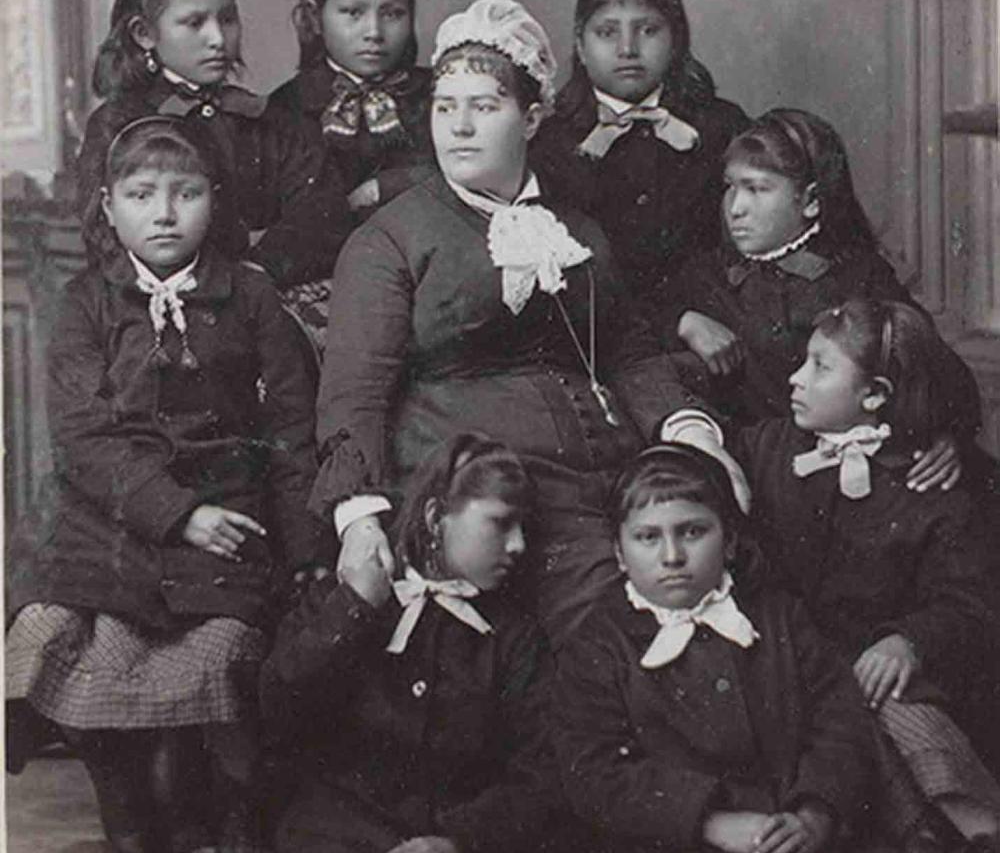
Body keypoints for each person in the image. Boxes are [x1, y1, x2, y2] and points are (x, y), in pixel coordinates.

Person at [311, 0, 742, 649]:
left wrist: (692, 435)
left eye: (484, 108)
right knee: (621, 623)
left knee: (731, 575)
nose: (459, 128)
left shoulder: (575, 229)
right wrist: (360, 519)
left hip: (610, 485)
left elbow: (627, 354)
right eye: (445, 108)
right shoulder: (391, 240)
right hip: (488, 504)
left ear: (532, 117)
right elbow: (354, 393)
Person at [6, 116, 322, 853]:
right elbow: (82, 440)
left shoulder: (251, 300)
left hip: (228, 521)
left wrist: (308, 551)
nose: (165, 213)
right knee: (62, 639)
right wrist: (177, 513)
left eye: (186, 193)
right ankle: (125, 814)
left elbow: (290, 433)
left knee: (219, 659)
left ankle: (196, 814)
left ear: (215, 200)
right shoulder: (85, 303)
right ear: (109, 206)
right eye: (142, 194)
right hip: (109, 525)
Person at [732, 298, 1000, 848]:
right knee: (852, 710)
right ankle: (952, 829)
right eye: (804, 361)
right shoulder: (770, 449)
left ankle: (966, 826)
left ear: (874, 395)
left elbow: (967, 602)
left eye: (820, 367)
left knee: (888, 704)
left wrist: (909, 641)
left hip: (873, 670)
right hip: (788, 663)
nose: (796, 378)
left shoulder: (930, 487)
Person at [552, 443, 876, 853]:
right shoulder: (597, 647)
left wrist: (814, 814)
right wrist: (709, 822)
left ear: (729, 540)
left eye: (692, 532)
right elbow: (594, 771)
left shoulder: (780, 617)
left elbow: (840, 719)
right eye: (648, 537)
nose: (672, 556)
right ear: (619, 553)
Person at [262, 433, 560, 853]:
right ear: (437, 517)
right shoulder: (347, 596)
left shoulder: (513, 637)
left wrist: (460, 840)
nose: (518, 545)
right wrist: (354, 608)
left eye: (524, 527)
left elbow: (541, 771)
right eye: (500, 523)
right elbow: (279, 708)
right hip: (332, 835)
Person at [659, 108, 981, 493]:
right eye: (731, 186)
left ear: (810, 201)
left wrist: (947, 437)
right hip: (760, 474)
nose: (736, 207)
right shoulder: (706, 275)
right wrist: (684, 320)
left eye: (757, 189)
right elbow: (635, 336)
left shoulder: (858, 276)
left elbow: (942, 373)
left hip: (857, 476)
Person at [76, 0, 351, 291]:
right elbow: (104, 240)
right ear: (144, 34)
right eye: (194, 23)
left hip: (262, 295)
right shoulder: (118, 125)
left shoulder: (265, 118)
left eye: (227, 19)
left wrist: (257, 272)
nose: (218, 38)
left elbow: (321, 217)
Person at [531, 0, 748, 328]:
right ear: (581, 47)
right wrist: (673, 321)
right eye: (607, 33)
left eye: (648, 30)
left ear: (676, 40)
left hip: (717, 324)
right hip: (599, 334)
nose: (628, 49)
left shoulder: (720, 126)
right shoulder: (549, 144)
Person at [266, 0, 436, 344]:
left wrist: (385, 187)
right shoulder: (287, 107)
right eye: (353, 13)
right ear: (315, 17)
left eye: (392, 13)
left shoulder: (438, 94)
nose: (373, 31)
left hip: (426, 270)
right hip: (329, 281)